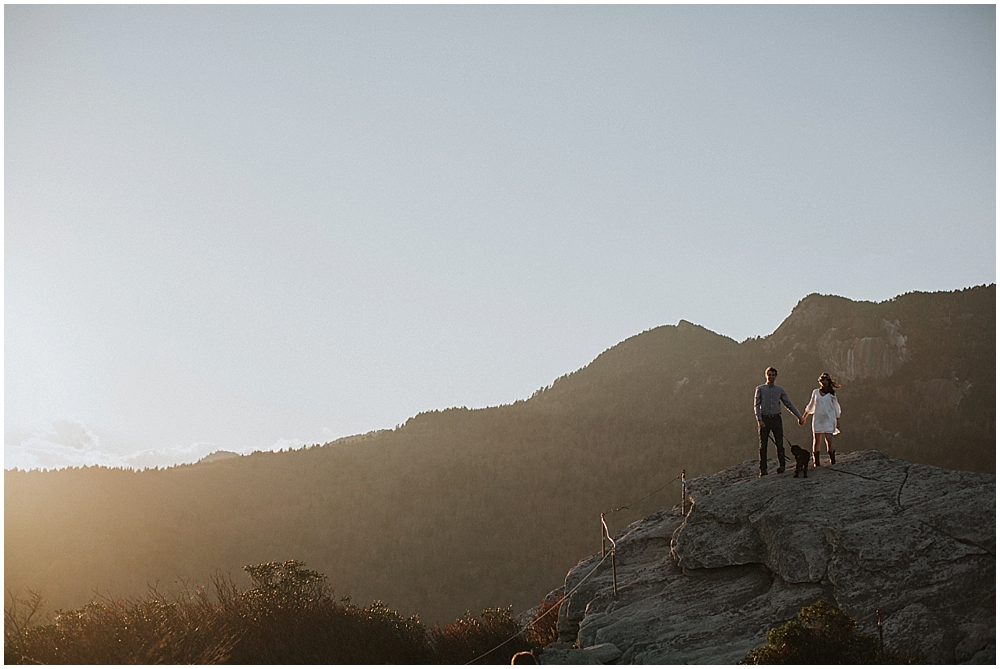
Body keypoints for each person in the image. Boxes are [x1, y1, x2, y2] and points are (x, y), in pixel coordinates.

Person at [754, 367, 803, 477]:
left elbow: (788, 404)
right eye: (769, 375)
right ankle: (763, 469)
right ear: (766, 375)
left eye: (773, 375)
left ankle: (782, 465)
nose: (771, 377)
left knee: (779, 443)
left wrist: (799, 417)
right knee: (763, 445)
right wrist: (759, 420)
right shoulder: (760, 389)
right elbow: (756, 405)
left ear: (776, 376)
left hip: (776, 418)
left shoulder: (779, 390)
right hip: (765, 418)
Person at [799, 372, 842, 466]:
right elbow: (811, 405)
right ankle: (816, 462)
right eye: (822, 380)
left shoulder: (832, 393)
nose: (824, 382)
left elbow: (836, 407)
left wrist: (837, 419)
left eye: (825, 380)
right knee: (816, 440)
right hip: (818, 418)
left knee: (829, 439)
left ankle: (832, 460)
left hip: (828, 418)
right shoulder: (815, 392)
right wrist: (804, 417)